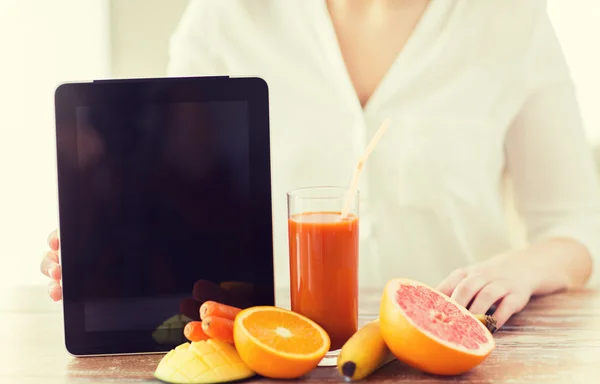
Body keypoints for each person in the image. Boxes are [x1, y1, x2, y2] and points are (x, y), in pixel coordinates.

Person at [40, 0, 600, 329]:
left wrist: (522, 267)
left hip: (460, 359)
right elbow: (174, 195)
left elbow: (576, 227)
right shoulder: (226, 15)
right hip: (275, 357)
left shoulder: (512, 19)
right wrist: (113, 243)